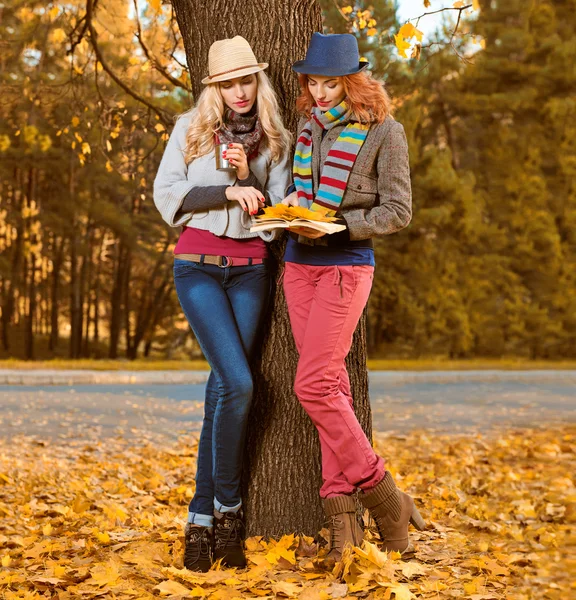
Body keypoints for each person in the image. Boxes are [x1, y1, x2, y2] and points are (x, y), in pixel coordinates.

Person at [281, 33, 425, 562]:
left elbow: (397, 210)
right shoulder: (306, 127)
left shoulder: (385, 132)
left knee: (313, 384)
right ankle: (342, 520)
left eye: (328, 83)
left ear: (353, 81)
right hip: (299, 266)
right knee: (331, 387)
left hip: (345, 265)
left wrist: (339, 228)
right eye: (311, 82)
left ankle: (384, 494)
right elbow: (305, 191)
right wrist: (289, 211)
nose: (318, 93)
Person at [154, 36, 291, 572]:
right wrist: (224, 192)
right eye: (228, 83)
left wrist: (245, 178)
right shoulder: (189, 130)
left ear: (258, 82)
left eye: (247, 80)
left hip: (251, 273)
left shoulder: (273, 140)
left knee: (221, 388)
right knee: (238, 383)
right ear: (214, 87)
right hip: (198, 272)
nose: (239, 91)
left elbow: (275, 217)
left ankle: (203, 520)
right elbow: (170, 198)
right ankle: (228, 507)